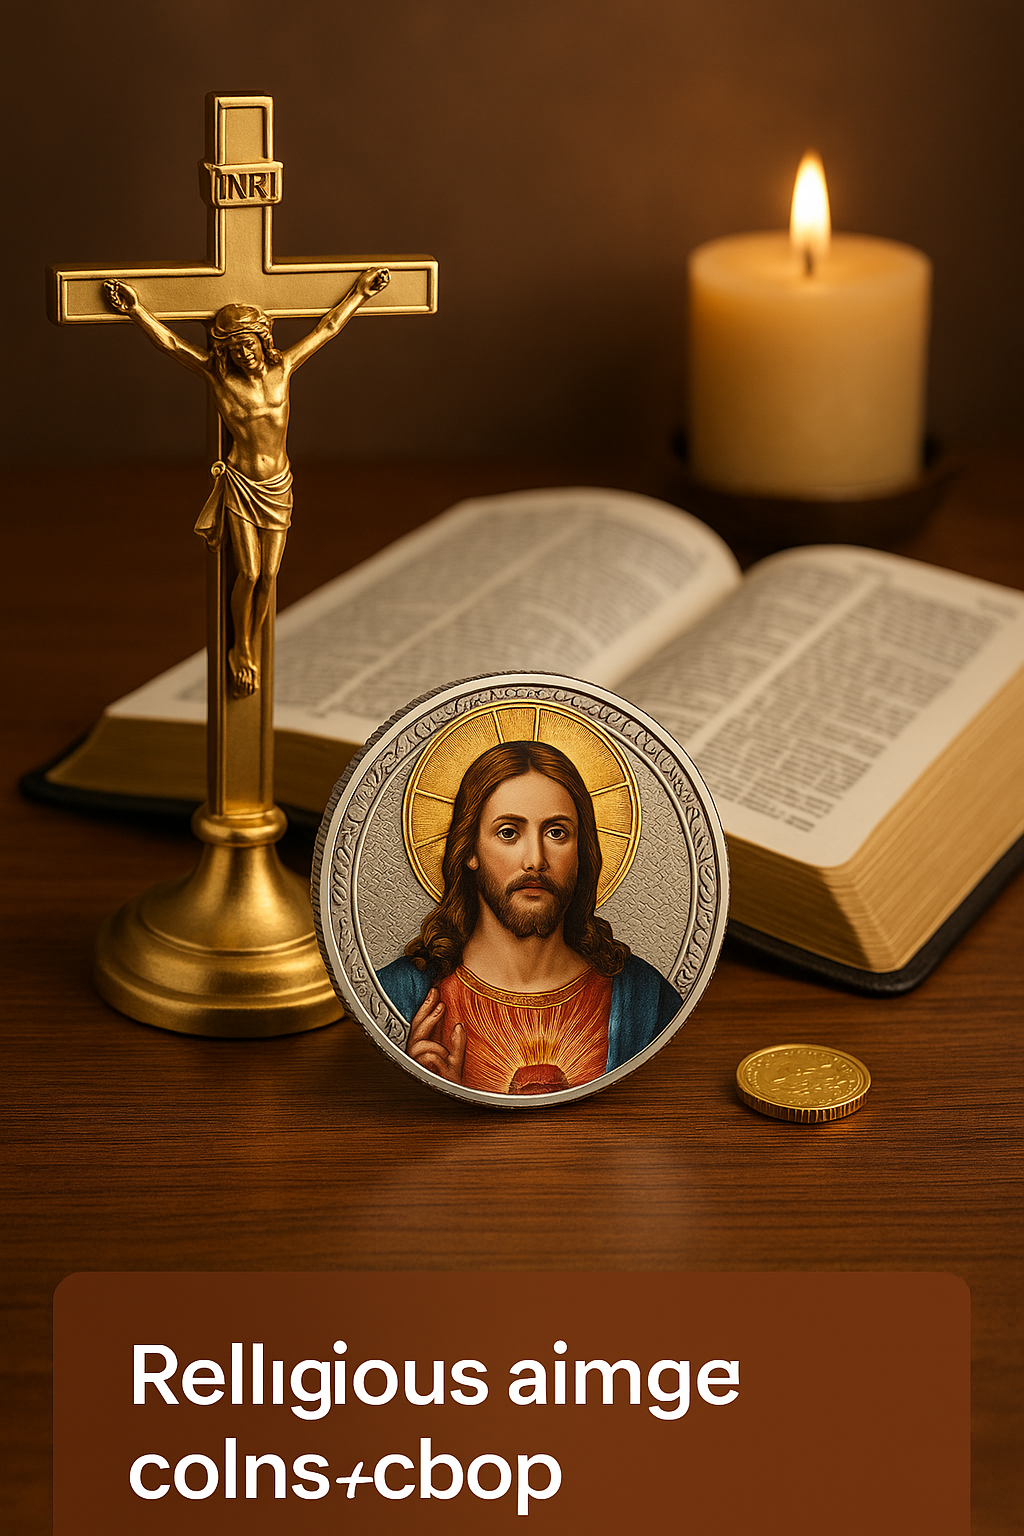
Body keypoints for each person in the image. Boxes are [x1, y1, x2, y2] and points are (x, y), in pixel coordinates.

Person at [103, 268, 390, 696]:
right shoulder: (219, 378)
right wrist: (137, 311)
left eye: (249, 343)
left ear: (262, 342)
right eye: (235, 347)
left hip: (278, 483)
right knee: (250, 573)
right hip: (242, 484)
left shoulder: (283, 369)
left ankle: (251, 640)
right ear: (228, 353)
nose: (244, 353)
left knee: (271, 574)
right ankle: (242, 648)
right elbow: (172, 344)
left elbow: (326, 329)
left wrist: (360, 294)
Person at [378, 741, 682, 1096]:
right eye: (508, 833)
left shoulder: (643, 996)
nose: (535, 859)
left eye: (557, 833)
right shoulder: (400, 993)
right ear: (470, 849)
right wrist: (430, 1091)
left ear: (581, 851)